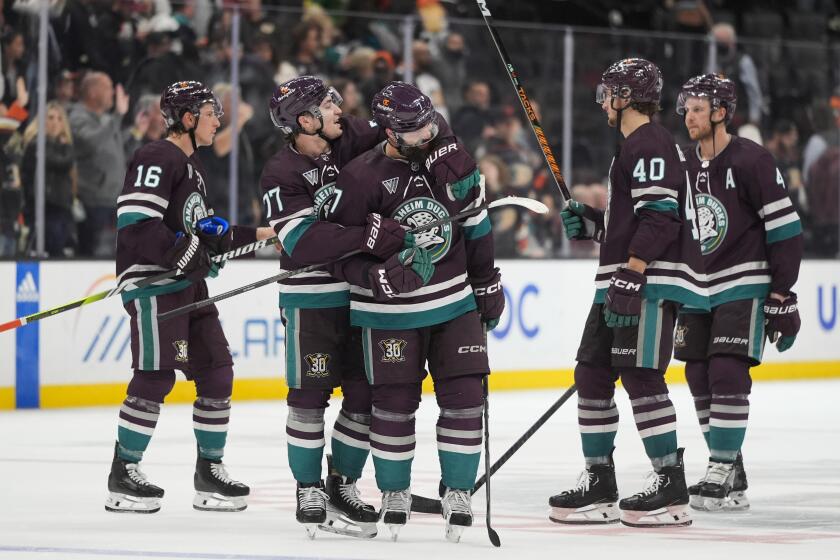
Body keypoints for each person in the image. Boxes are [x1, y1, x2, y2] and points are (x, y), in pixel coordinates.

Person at [327, 81, 505, 542]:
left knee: (466, 400)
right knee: (393, 405)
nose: (426, 133)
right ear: (387, 130)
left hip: (454, 305)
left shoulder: (451, 157)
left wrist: (486, 280)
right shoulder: (360, 177)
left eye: (429, 122)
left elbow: (477, 223)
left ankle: (459, 490)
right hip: (389, 314)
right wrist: (373, 277)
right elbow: (338, 253)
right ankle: (393, 491)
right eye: (413, 129)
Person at [549, 58, 708, 528]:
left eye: (608, 93)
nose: (603, 101)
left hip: (646, 283)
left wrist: (634, 270)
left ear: (623, 97)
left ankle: (670, 484)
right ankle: (600, 481)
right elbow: (636, 220)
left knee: (640, 375)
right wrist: (596, 224)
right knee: (592, 375)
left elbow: (661, 216)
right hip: (623, 278)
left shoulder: (650, 143)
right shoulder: (633, 148)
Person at [106, 80, 274, 514]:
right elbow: (138, 224)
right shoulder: (157, 155)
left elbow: (206, 233)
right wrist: (187, 254)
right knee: (156, 376)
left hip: (187, 287)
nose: (219, 119)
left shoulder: (192, 168)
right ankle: (123, 473)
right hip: (155, 284)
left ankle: (209, 473)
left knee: (217, 371)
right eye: (210, 111)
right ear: (187, 118)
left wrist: (268, 234)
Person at [260, 76, 410, 539]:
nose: (338, 109)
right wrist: (366, 235)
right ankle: (308, 488)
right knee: (308, 397)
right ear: (304, 120)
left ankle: (342, 484)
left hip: (360, 295)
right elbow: (303, 243)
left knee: (363, 395)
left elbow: (401, 129)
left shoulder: (348, 139)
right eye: (326, 105)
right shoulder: (280, 173)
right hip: (311, 298)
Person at [674, 73, 803, 511]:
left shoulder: (753, 161)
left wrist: (782, 294)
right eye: (686, 108)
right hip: (696, 286)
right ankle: (733, 470)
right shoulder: (682, 165)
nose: (688, 116)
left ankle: (720, 463)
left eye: (697, 108)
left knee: (727, 371)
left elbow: (785, 231)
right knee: (696, 373)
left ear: (721, 112)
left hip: (744, 281)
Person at [21, 102, 77, 257]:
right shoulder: (36, 146)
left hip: (61, 208)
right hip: (43, 209)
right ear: (42, 120)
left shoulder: (61, 146)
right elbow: (60, 163)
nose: (55, 122)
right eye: (51, 117)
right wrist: (65, 148)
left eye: (59, 118)